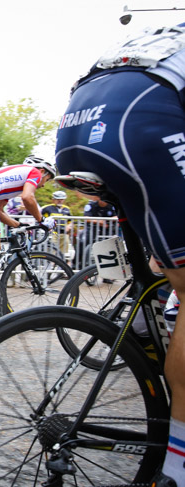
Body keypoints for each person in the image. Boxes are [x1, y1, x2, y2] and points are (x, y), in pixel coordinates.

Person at [54, 24, 185, 486]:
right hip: (140, 117)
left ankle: (152, 339)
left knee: (165, 264)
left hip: (78, 124)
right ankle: (178, 465)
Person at [41, 190, 73, 259]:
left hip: (63, 233)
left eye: (62, 199)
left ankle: (62, 267)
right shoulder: (47, 208)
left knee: (64, 253)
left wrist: (69, 226)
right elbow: (40, 218)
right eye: (58, 199)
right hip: (52, 233)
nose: (60, 201)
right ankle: (51, 266)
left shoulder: (67, 209)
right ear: (53, 200)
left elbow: (70, 221)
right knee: (52, 251)